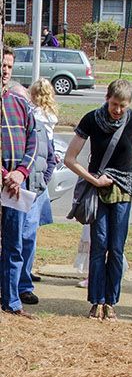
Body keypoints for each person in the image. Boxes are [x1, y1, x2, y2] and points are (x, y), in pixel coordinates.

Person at [61, 79, 132, 320]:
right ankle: (95, 301)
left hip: (123, 191)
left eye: (123, 106)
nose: (118, 110)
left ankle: (111, 302)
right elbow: (70, 158)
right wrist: (94, 180)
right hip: (97, 190)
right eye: (114, 104)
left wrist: (123, 171)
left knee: (116, 248)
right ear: (107, 98)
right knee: (99, 246)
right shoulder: (91, 119)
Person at [0, 46, 38, 316]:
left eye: (9, 67)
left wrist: (21, 172)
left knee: (14, 245)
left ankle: (11, 302)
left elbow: (34, 140)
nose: (5, 71)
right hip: (5, 180)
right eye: (2, 65)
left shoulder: (19, 102)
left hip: (16, 187)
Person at [15, 79, 58, 307]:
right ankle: (11, 286)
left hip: (34, 189)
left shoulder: (40, 125)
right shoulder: (11, 130)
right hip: (13, 189)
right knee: (14, 239)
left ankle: (24, 286)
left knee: (28, 237)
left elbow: (50, 157)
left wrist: (42, 181)